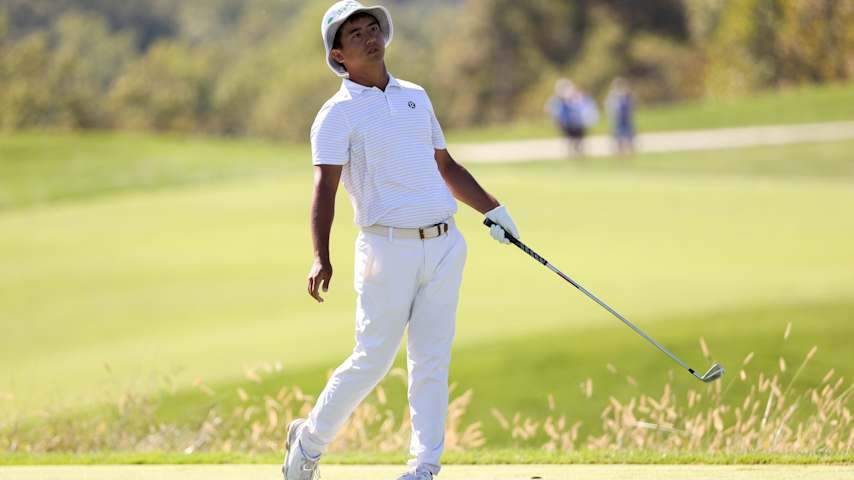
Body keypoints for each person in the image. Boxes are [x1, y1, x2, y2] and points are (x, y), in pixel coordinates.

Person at [282, 2, 519, 479]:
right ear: (339, 55)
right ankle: (307, 443)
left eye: (374, 29)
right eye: (356, 35)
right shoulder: (335, 115)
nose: (370, 38)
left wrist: (493, 210)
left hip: (445, 244)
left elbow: (445, 166)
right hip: (385, 249)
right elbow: (323, 189)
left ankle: (424, 466)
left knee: (432, 358)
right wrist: (319, 257)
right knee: (372, 359)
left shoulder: (416, 96)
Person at [546, 78, 598, 157]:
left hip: (577, 123)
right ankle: (573, 155)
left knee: (579, 140)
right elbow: (553, 112)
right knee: (571, 141)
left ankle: (579, 154)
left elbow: (584, 109)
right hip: (568, 124)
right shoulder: (558, 101)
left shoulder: (578, 98)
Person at [605, 77, 635, 155]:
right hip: (617, 119)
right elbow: (610, 107)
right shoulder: (612, 95)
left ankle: (629, 150)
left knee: (629, 135)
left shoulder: (627, 95)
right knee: (618, 136)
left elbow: (632, 105)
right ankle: (620, 151)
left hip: (626, 118)